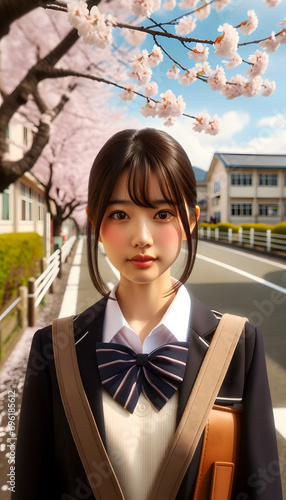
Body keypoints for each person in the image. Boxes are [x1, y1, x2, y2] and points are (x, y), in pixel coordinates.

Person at [12, 128, 282, 500]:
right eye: (120, 213)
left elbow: (261, 487)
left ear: (190, 220)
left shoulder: (238, 344)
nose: (142, 236)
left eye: (162, 213)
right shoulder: (55, 348)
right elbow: (29, 485)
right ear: (96, 222)